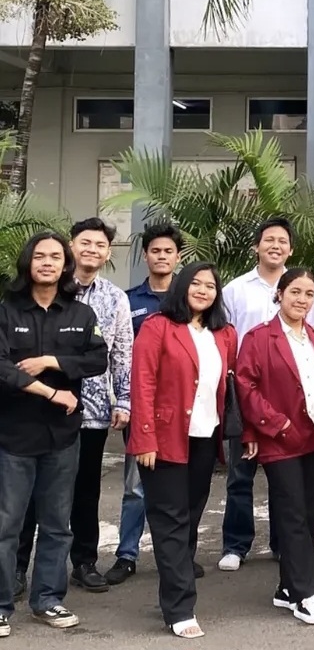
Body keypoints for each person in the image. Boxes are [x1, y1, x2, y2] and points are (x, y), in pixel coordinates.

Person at [129, 261, 247, 639]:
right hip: (163, 438)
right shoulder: (158, 327)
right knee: (170, 523)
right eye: (195, 283)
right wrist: (144, 437)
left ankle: (173, 591)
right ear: (181, 286)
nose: (202, 290)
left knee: (190, 519)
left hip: (204, 439)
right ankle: (180, 607)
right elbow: (142, 383)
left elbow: (230, 387)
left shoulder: (225, 334)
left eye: (210, 286)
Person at [17, 219, 133, 596]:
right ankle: (18, 567)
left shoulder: (114, 298)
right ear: (71, 246)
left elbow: (121, 354)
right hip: (39, 408)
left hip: (93, 411)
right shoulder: (47, 289)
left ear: (108, 253)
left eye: (100, 245)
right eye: (85, 243)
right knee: (30, 495)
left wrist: (124, 399)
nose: (92, 250)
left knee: (84, 492)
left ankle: (83, 561)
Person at [0, 232, 108, 637]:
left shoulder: (81, 314)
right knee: (7, 525)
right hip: (13, 436)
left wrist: (50, 361)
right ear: (28, 262)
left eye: (55, 257)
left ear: (65, 265)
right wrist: (50, 391)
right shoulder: (6, 312)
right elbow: (2, 368)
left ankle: (47, 599)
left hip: (62, 437)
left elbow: (98, 359)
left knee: (57, 524)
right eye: (40, 256)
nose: (47, 262)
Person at [219, 218, 314, 573]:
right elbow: (227, 339)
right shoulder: (235, 289)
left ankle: (284, 543)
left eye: (282, 241)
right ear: (256, 246)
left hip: (292, 399)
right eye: (269, 240)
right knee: (240, 475)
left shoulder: (303, 288)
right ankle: (236, 544)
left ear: (290, 250)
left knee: (289, 482)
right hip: (247, 393)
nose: (275, 246)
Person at [236, 269, 314, 625]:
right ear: (279, 294)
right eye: (295, 291)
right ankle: (306, 595)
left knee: (307, 514)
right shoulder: (259, 337)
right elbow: (246, 385)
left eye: (309, 294)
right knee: (292, 514)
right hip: (280, 437)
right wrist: (277, 424)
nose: (302, 299)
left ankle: (287, 587)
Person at [105, 224, 182, 587]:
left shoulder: (190, 297)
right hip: (142, 407)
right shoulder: (129, 300)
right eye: (155, 251)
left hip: (182, 410)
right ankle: (127, 555)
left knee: (180, 488)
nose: (162, 256)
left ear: (178, 257)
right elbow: (121, 355)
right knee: (135, 487)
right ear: (146, 255)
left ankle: (179, 555)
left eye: (168, 251)